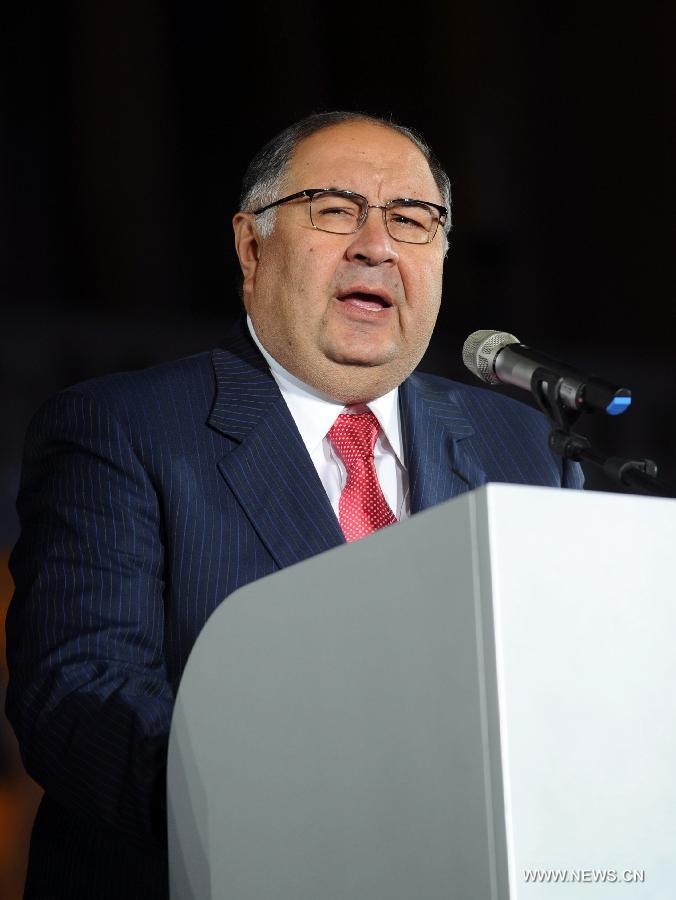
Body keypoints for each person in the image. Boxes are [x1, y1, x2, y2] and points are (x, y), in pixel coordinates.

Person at [5, 111, 583, 899]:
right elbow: (78, 695)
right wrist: (306, 819)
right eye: (336, 210)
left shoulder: (523, 446)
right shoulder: (124, 429)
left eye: (411, 220)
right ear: (251, 247)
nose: (375, 245)